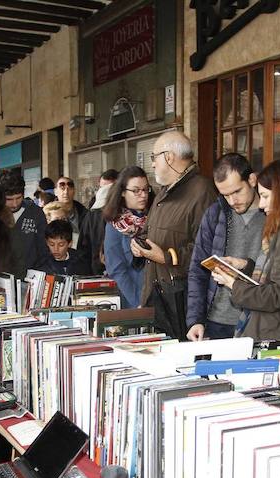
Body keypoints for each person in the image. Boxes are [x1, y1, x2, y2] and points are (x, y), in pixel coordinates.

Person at [211, 158, 280, 340]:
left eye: (266, 196)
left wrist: (233, 284)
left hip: (275, 334)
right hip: (277, 329)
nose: (261, 205)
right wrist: (244, 266)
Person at [132, 131, 217, 336]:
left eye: (154, 158)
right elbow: (149, 230)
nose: (152, 164)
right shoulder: (164, 191)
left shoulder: (202, 191)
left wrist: (166, 257)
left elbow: (209, 250)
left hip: (182, 299)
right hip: (156, 294)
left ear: (169, 157)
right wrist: (139, 244)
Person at [187, 153, 265, 340]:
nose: (232, 201)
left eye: (237, 191)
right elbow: (198, 269)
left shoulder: (272, 214)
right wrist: (195, 320)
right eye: (225, 195)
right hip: (217, 321)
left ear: (252, 180)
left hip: (259, 318)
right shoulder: (215, 213)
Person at [102, 166, 151, 308]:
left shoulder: (154, 217)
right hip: (131, 298)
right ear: (123, 192)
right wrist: (138, 301)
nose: (143, 195)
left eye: (146, 189)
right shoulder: (115, 224)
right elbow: (117, 269)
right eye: (136, 191)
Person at [0, 168, 47, 270]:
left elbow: (43, 250)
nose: (14, 204)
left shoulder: (35, 213)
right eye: (9, 199)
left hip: (30, 277)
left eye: (18, 198)